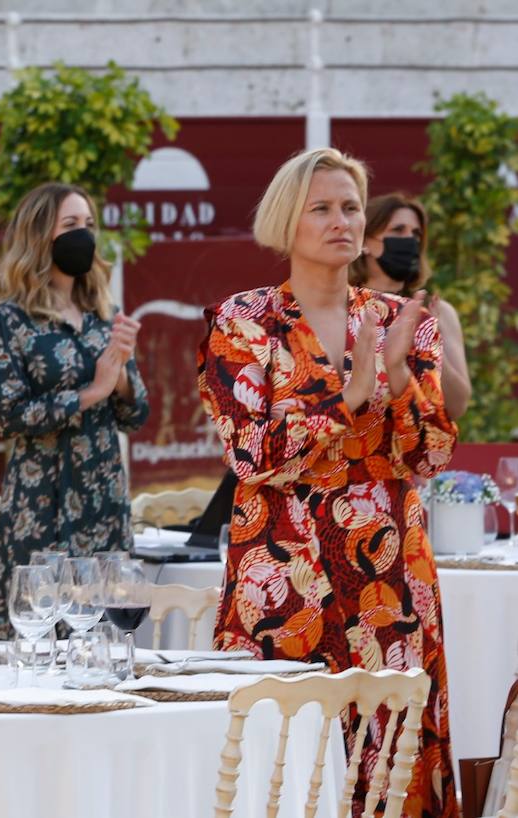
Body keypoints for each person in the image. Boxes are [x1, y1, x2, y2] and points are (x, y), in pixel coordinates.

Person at [198, 148, 458, 817]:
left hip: (389, 577)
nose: (341, 220)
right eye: (322, 208)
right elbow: (252, 456)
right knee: (280, 766)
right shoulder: (242, 321)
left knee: (390, 766)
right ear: (287, 221)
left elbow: (428, 458)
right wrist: (350, 395)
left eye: (349, 207)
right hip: (283, 573)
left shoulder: (406, 319)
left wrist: (397, 377)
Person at [0, 182, 149, 638]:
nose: (85, 236)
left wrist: (119, 380)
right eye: (71, 225)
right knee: (41, 639)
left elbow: (136, 415)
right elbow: (10, 414)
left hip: (103, 500)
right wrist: (91, 391)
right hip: (42, 505)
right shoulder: (10, 319)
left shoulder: (102, 312)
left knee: (103, 640)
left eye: (90, 225)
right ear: (40, 236)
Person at [349, 192, 470, 418]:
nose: (410, 240)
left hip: (413, 446)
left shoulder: (438, 313)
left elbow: (457, 407)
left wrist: (432, 339)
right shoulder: (340, 309)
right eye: (398, 230)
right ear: (364, 242)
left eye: (416, 234)